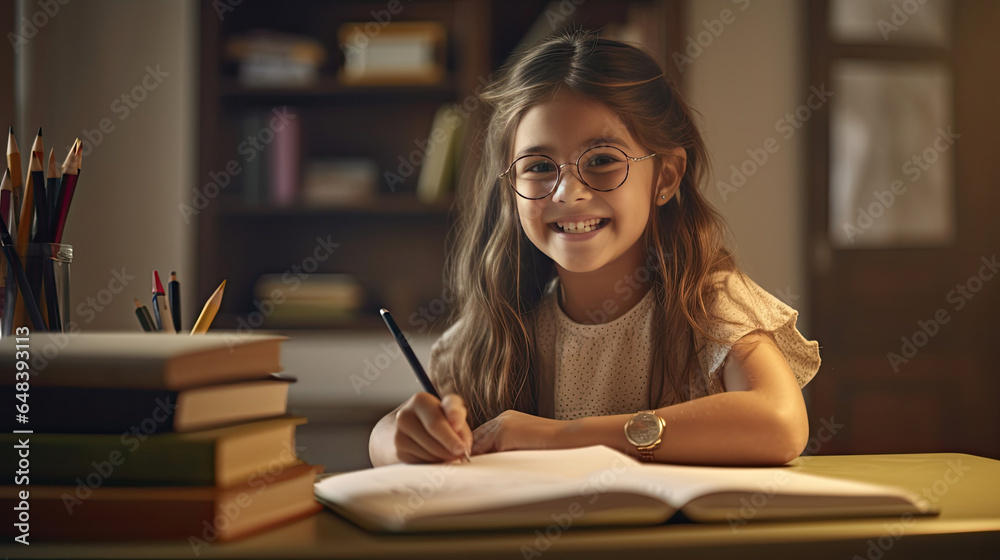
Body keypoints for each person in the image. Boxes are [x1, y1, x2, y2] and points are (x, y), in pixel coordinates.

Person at [369, 29, 820, 467]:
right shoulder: (496, 328)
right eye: (540, 166)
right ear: (510, 190)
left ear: (665, 177)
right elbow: (390, 442)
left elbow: (780, 424)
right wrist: (395, 437)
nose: (568, 192)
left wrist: (560, 437)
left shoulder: (706, 303)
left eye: (602, 160)